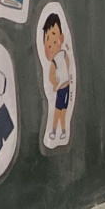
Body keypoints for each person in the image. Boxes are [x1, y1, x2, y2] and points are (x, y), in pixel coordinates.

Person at [42, 10, 73, 144]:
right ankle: (54, 130)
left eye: (54, 41)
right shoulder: (54, 62)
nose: (51, 45)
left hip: (67, 86)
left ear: (61, 39)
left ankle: (63, 130)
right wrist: (55, 83)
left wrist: (67, 77)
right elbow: (51, 76)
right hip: (61, 88)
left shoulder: (64, 54)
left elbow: (68, 65)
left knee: (64, 111)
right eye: (48, 44)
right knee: (57, 111)